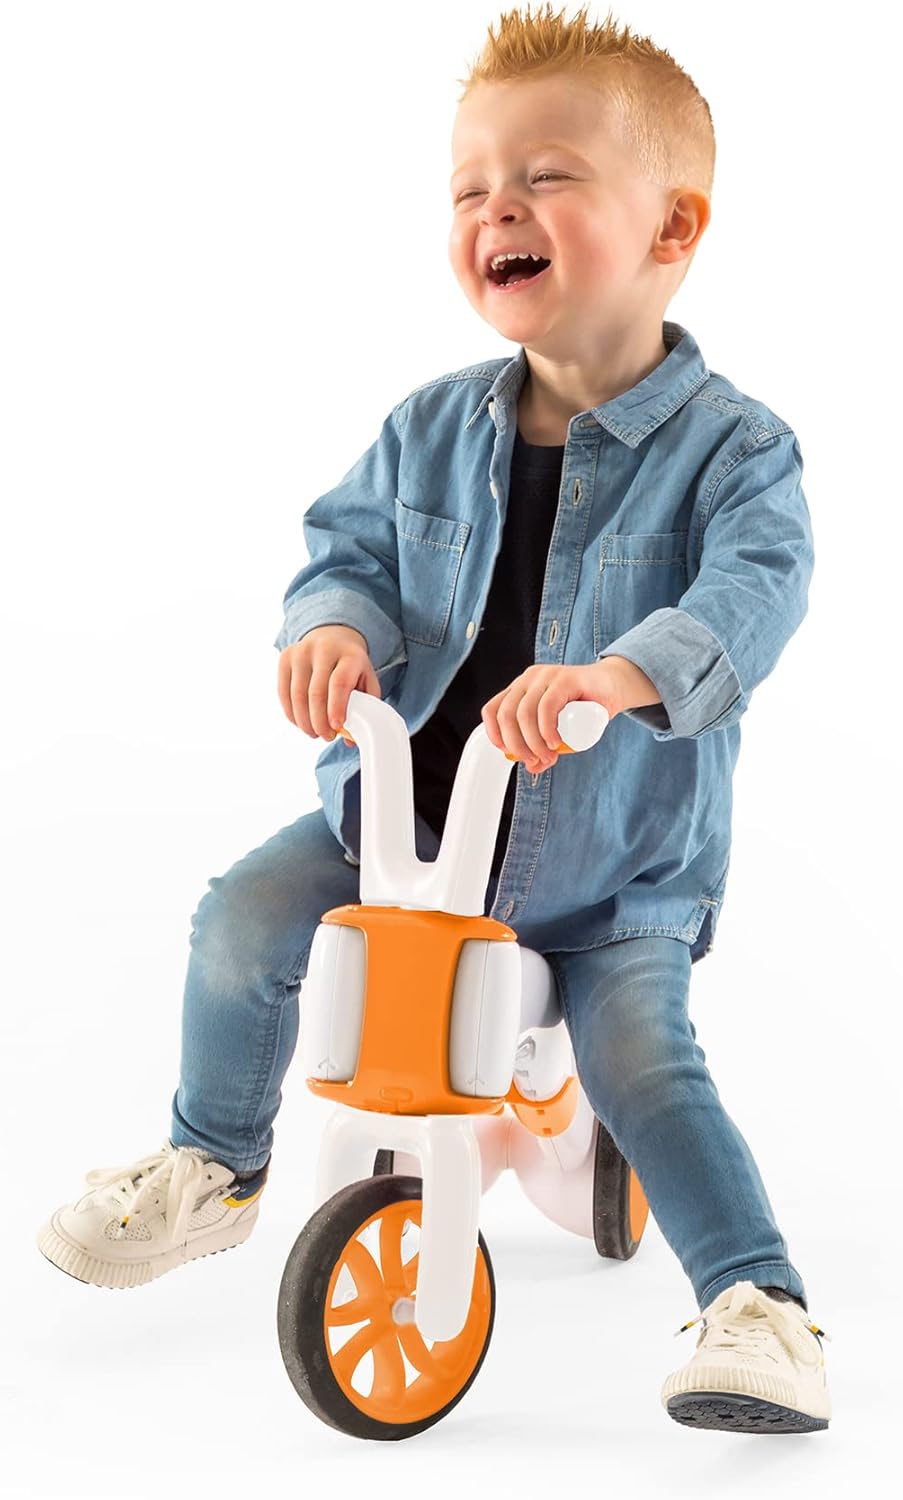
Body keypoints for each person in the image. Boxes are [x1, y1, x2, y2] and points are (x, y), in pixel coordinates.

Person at [36, 3, 831, 1433]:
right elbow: (345, 548)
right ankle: (214, 1160)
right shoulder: (428, 428)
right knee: (242, 921)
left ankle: (758, 1304)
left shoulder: (739, 452)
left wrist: (616, 677)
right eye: (469, 189)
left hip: (612, 875)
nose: (495, 209)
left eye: (545, 177)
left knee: (644, 1063)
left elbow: (755, 593)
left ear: (672, 226)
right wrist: (331, 625)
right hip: (405, 835)